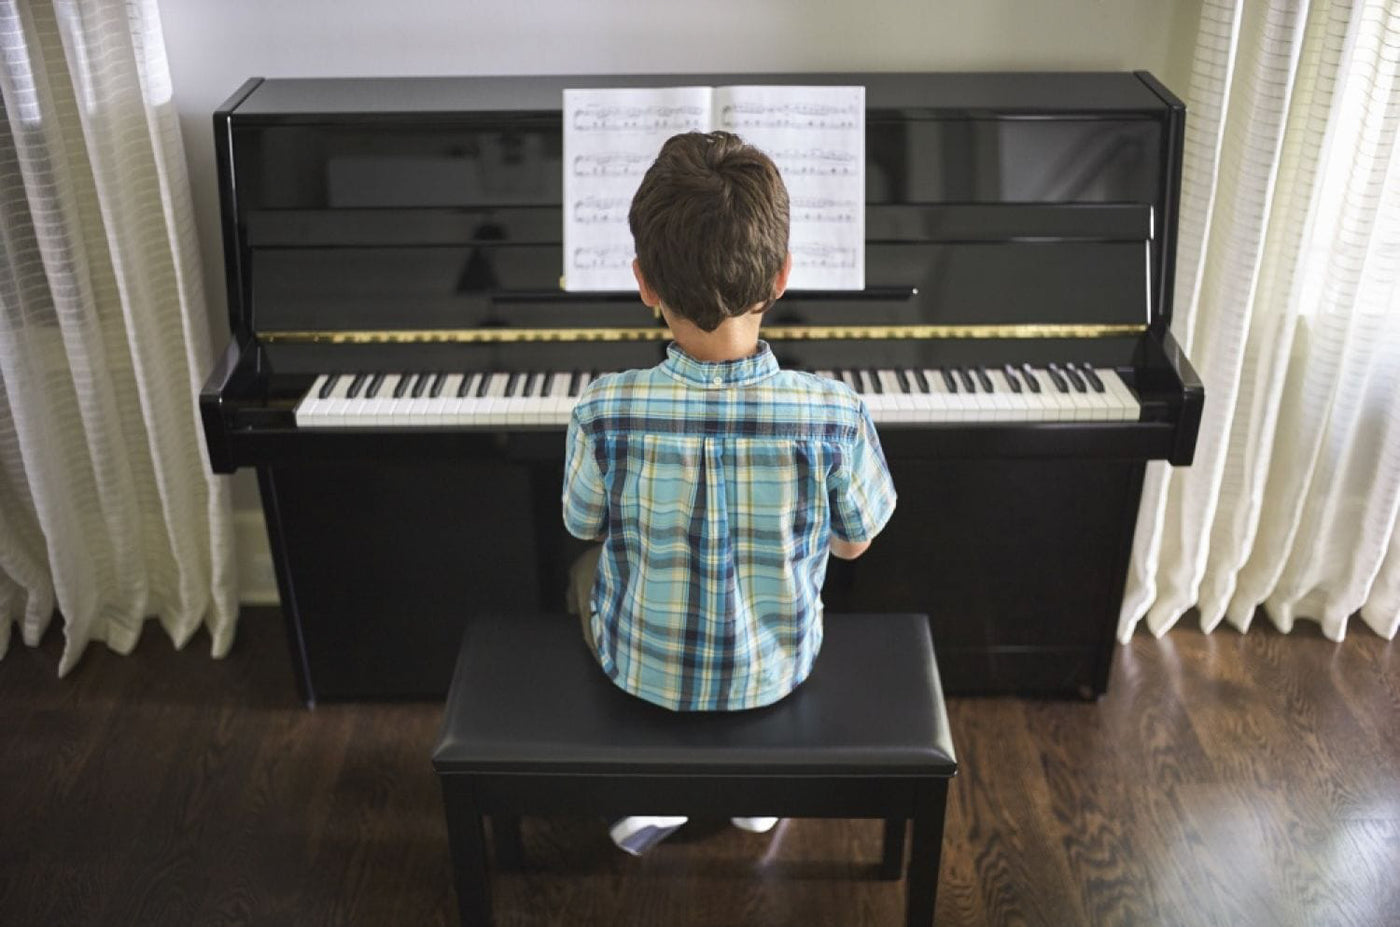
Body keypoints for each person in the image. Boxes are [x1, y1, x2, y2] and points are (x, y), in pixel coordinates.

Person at [561, 131, 896, 855]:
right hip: (776, 668)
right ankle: (754, 791)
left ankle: (654, 794)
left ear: (644, 283)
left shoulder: (602, 408)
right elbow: (856, 541)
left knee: (578, 576)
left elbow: (584, 525)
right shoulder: (836, 415)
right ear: (781, 277)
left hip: (640, 669)